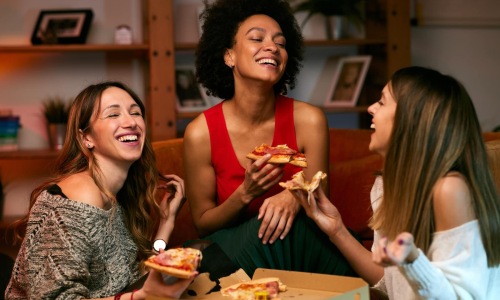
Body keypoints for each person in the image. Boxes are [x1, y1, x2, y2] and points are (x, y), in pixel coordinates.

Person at [290, 66, 500, 298]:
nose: (371, 108)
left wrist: (411, 260)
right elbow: (389, 282)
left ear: (411, 119)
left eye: (382, 102)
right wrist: (337, 229)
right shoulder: (384, 185)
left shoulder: (449, 189)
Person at [183, 0, 356, 277]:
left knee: (306, 232)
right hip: (234, 257)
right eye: (256, 38)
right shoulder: (200, 133)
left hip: (299, 252)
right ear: (229, 56)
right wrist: (246, 193)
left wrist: (293, 196)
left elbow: (321, 200)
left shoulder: (309, 120)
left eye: (281, 42)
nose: (272, 47)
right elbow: (204, 224)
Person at [6, 81, 194, 299]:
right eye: (113, 115)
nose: (131, 121)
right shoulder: (80, 196)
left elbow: (135, 280)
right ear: (86, 138)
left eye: (135, 113)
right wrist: (139, 297)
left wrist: (166, 222)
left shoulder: (117, 194)